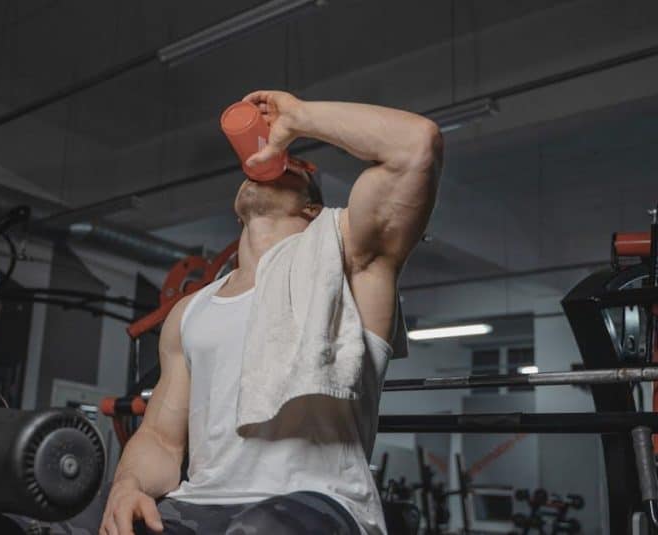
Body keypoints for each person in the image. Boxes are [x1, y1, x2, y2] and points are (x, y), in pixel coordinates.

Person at [98, 90, 442, 535]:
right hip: (201, 505)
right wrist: (127, 486)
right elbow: (162, 439)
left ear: (313, 209)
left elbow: (418, 144)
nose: (267, 157)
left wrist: (298, 119)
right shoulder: (190, 312)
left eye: (289, 163)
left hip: (316, 504)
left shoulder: (350, 262)